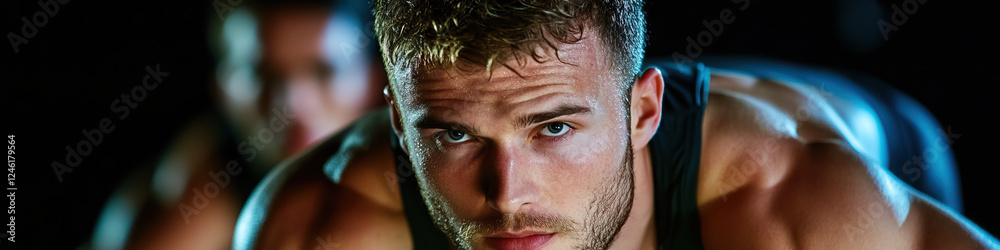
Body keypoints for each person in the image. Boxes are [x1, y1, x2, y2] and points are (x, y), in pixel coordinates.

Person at [234, 0, 999, 249]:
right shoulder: (319, 221)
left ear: (642, 113)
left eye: (553, 129)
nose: (508, 193)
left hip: (885, 139)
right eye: (456, 135)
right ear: (398, 124)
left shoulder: (794, 202)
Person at [86, 0, 385, 249]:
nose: (292, 105)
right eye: (263, 76)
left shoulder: (410, 161)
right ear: (222, 89)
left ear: (374, 80)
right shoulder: (199, 190)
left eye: (323, 71)